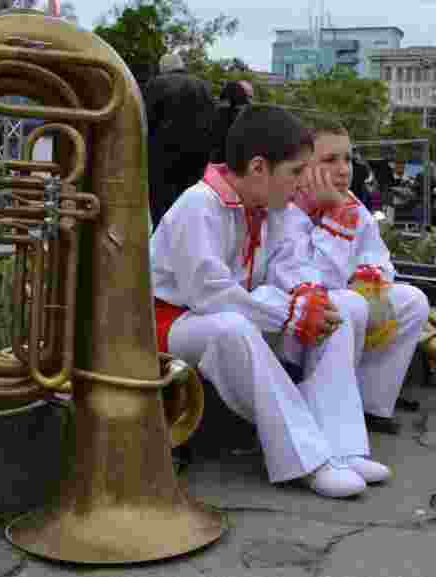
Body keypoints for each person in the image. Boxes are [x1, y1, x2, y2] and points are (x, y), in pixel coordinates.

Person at [150, 105, 388, 499]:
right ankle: (307, 460)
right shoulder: (199, 204)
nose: (301, 184)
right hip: (170, 324)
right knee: (233, 328)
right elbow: (208, 294)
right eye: (295, 172)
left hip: (234, 313)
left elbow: (290, 267)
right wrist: (287, 312)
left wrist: (309, 296)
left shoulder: (271, 209)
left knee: (340, 309)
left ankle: (343, 446)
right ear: (259, 167)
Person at [268, 115, 431, 436]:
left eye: (348, 158)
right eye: (330, 160)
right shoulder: (283, 209)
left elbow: (379, 257)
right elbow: (312, 281)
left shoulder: (351, 203)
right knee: (344, 304)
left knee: (412, 300)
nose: (344, 169)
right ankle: (320, 408)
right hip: (292, 321)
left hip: (342, 303)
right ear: (301, 167)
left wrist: (372, 277)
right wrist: (336, 219)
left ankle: (371, 403)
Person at [143, 53, 217, 230]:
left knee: (162, 203)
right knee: (191, 200)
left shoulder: (156, 84)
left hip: (163, 154)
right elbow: (212, 119)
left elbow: (146, 120)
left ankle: (164, 239)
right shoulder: (203, 85)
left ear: (163, 69)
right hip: (198, 154)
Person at [210, 80, 254, 164]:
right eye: (248, 96)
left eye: (251, 97)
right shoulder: (246, 117)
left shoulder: (215, 111)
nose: (250, 101)